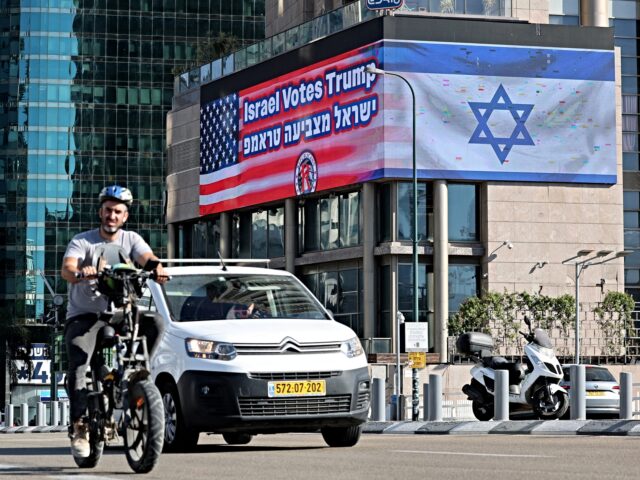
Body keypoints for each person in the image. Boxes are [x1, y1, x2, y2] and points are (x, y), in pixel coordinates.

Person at [61, 185, 167, 459]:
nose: (112, 215)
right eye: (108, 210)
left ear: (125, 216)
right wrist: (81, 272)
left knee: (155, 323)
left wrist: (156, 266)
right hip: (85, 316)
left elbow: (147, 257)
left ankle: (135, 373)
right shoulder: (83, 242)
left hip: (120, 312)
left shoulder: (131, 239)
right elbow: (68, 268)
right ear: (101, 212)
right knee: (79, 364)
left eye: (117, 212)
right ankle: (80, 427)